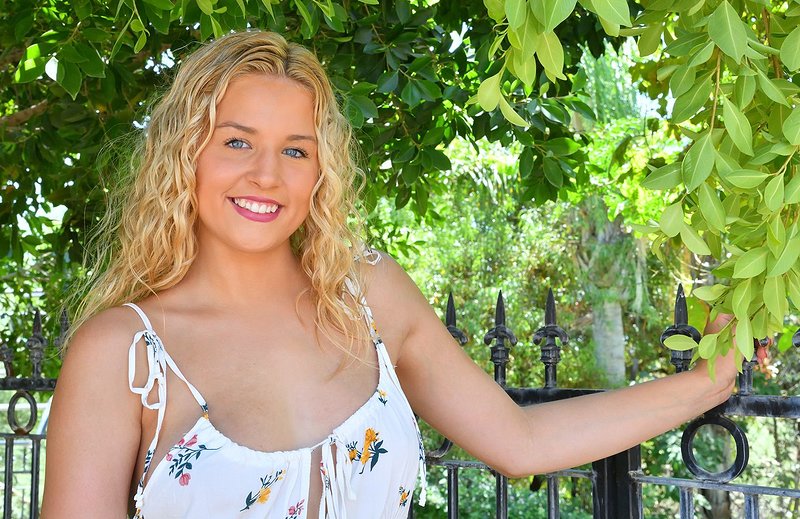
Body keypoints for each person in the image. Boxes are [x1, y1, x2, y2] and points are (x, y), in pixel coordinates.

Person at [40, 31, 738, 519]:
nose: (266, 174)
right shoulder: (124, 355)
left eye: (296, 150)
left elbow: (521, 443)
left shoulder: (367, 296)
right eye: (237, 141)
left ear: (321, 171)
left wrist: (705, 383)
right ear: (184, 154)